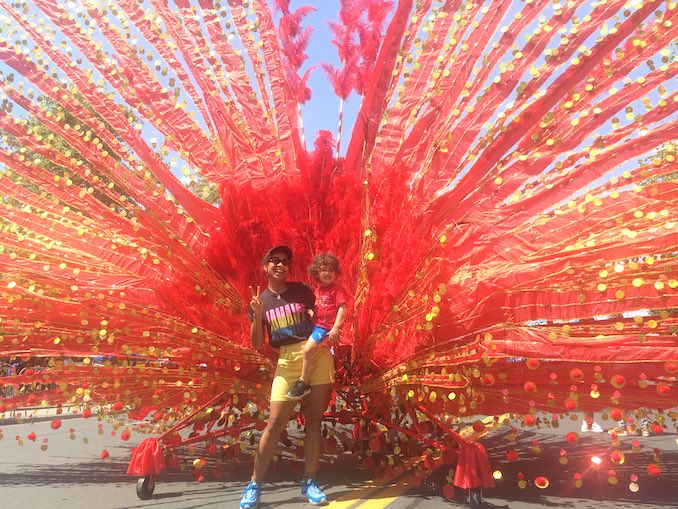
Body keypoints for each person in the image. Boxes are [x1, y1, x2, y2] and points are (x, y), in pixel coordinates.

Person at [240, 245, 335, 508]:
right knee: (274, 422)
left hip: (315, 355)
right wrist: (257, 317)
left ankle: (310, 480)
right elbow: (258, 343)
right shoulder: (260, 301)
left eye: (285, 261)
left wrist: (330, 331)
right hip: (287, 361)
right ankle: (254, 484)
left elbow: (324, 313)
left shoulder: (302, 291)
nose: (280, 265)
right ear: (265, 267)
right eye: (274, 261)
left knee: (314, 420)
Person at [286, 253, 347, 400]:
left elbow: (342, 308)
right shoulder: (318, 291)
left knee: (308, 349)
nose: (327, 273)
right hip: (314, 325)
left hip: (324, 328)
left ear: (336, 273)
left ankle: (303, 383)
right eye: (323, 270)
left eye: (331, 270)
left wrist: (336, 327)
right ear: (317, 273)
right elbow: (317, 307)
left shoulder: (337, 290)